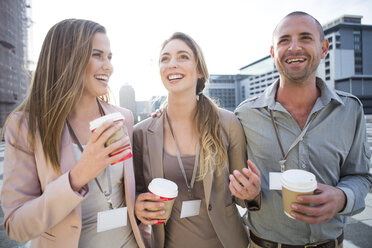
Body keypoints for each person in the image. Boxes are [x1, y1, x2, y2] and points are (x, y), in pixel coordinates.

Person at [1, 19, 146, 248]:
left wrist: (139, 203)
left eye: (109, 57)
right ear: (67, 58)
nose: (108, 66)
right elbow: (16, 225)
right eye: (97, 55)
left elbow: (128, 190)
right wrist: (76, 177)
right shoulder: (25, 127)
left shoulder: (123, 118)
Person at [235, 11, 372, 248]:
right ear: (273, 53)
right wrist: (248, 194)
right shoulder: (245, 115)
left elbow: (359, 176)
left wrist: (342, 197)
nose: (294, 47)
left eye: (306, 38)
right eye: (284, 40)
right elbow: (232, 185)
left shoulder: (350, 110)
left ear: (324, 48)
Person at [133, 32, 261, 248]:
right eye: (165, 59)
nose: (172, 64)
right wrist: (137, 206)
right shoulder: (141, 133)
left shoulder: (228, 123)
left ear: (199, 70)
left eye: (182, 57)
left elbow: (242, 195)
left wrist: (252, 193)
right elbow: (135, 191)